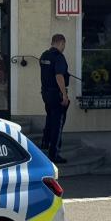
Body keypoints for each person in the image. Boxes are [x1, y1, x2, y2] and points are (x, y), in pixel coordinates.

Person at [39, 34, 70, 163]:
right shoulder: (58, 57)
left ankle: (45, 144)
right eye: (64, 45)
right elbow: (59, 76)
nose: (64, 48)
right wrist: (64, 94)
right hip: (56, 94)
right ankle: (54, 154)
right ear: (61, 43)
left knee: (50, 119)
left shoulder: (44, 55)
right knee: (58, 123)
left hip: (46, 93)